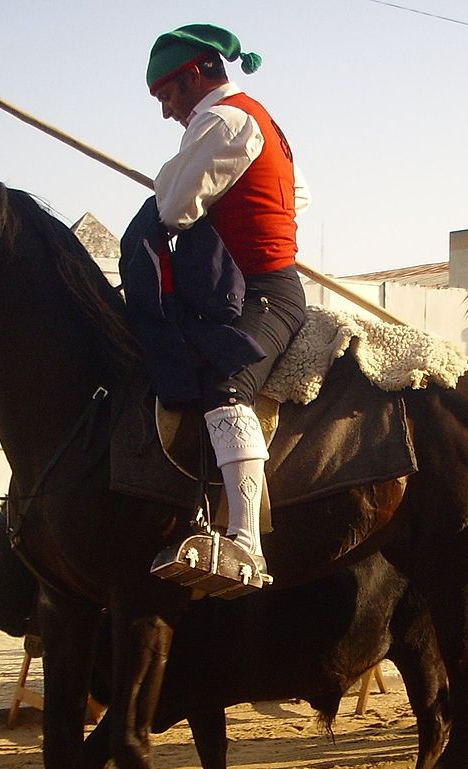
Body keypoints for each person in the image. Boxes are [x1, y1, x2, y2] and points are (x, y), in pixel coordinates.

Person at [144, 24, 311, 581]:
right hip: (250, 286)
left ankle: (245, 544)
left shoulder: (222, 120)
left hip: (265, 292)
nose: (168, 112)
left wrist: (171, 179)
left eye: (168, 94)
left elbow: (174, 208)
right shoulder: (258, 118)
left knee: (226, 380)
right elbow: (300, 196)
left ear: (194, 75)